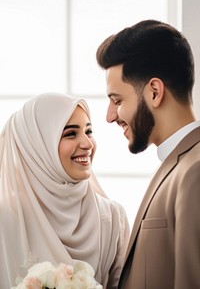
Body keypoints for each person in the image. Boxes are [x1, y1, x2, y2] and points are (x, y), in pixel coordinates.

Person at [96, 19, 200, 289]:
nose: (109, 116)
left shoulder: (195, 171)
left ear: (154, 92)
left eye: (117, 101)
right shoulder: (178, 164)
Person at [0, 92, 130, 289]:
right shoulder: (5, 217)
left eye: (89, 131)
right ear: (36, 146)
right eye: (70, 133)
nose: (87, 144)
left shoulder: (112, 217)